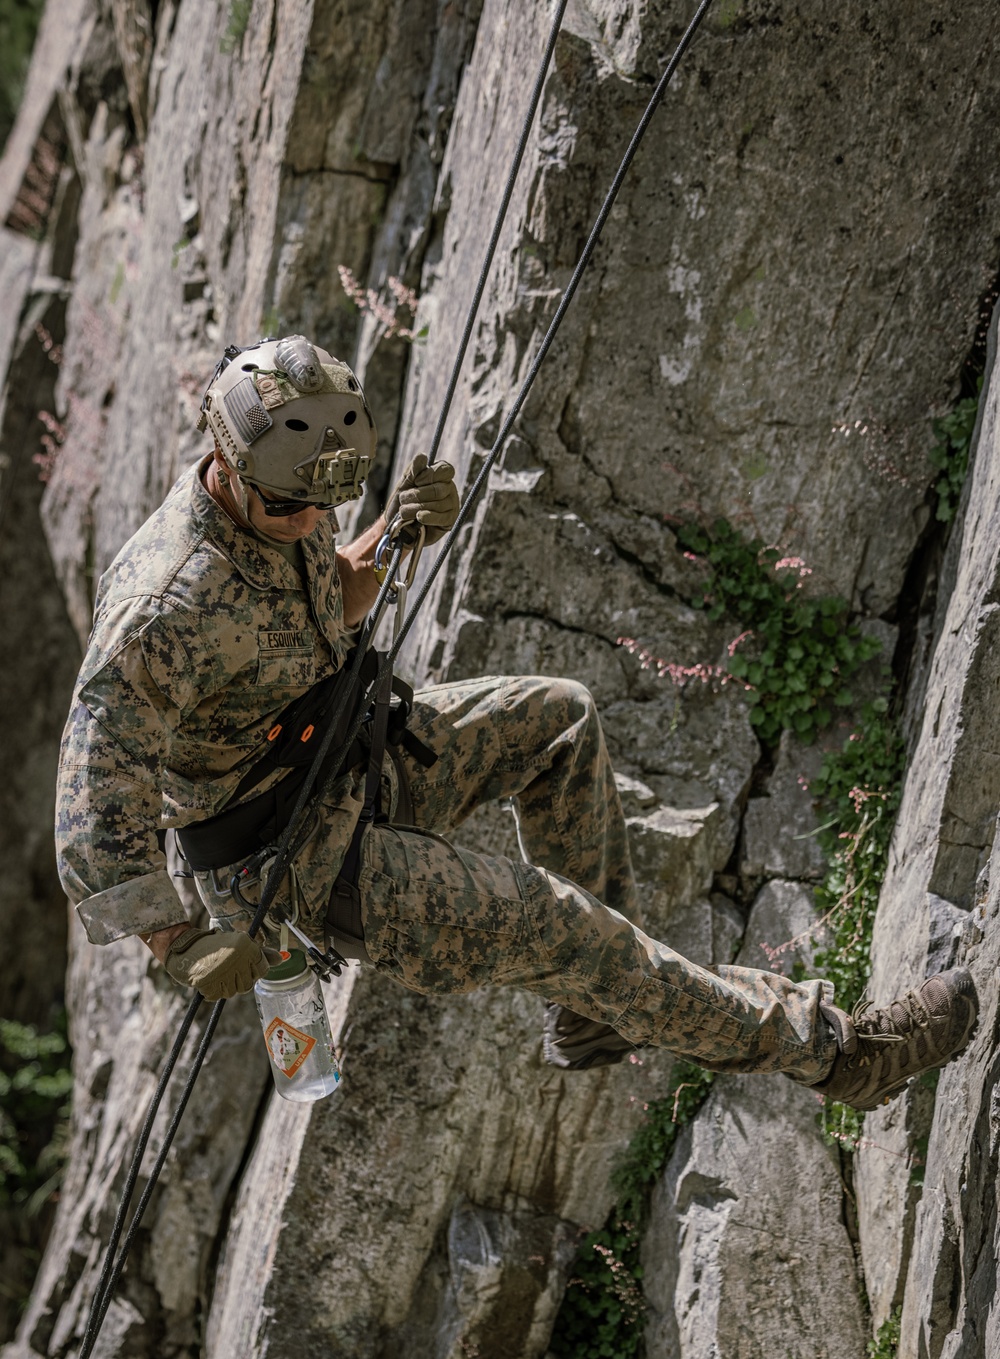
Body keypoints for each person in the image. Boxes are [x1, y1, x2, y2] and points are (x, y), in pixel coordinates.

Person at [55, 334, 977, 1108]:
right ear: (230, 464)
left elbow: (322, 598)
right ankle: (842, 1053)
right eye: (296, 506)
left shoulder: (282, 498)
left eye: (324, 504)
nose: (312, 521)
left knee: (559, 721)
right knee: (560, 929)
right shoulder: (163, 604)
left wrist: (393, 534)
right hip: (290, 859)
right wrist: (176, 939)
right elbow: (94, 789)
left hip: (344, 756)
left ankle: (599, 1003)